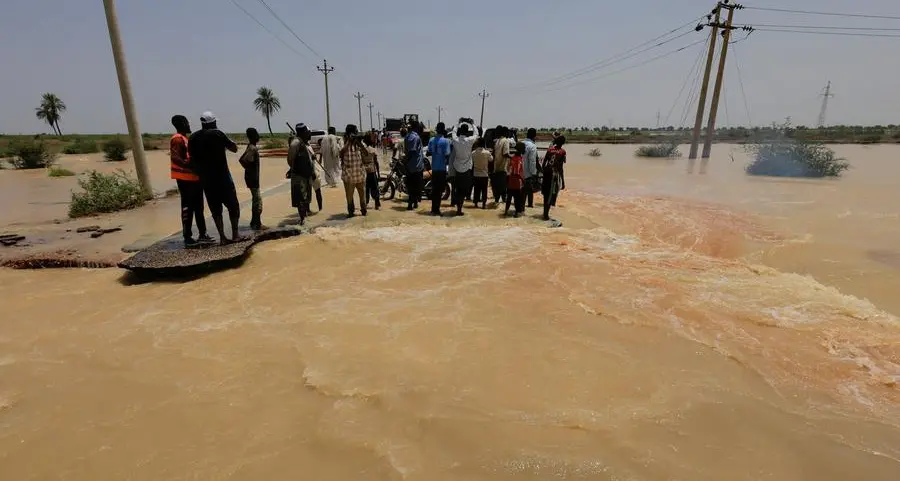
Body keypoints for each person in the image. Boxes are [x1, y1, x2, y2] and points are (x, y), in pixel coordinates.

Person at [188, 111, 241, 244]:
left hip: (206, 180)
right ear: (213, 122)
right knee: (233, 206)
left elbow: (191, 161)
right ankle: (235, 235)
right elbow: (234, 148)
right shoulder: (218, 134)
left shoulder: (193, 138)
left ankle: (222, 237)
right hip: (223, 177)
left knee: (215, 209)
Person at [170, 115, 213, 247]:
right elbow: (176, 157)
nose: (189, 125)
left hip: (194, 178)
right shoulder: (177, 139)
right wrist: (191, 165)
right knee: (188, 208)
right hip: (185, 179)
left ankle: (202, 234)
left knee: (199, 207)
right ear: (182, 123)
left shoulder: (185, 138)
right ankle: (187, 236)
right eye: (187, 122)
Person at [287, 123, 316, 225]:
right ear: (302, 133)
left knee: (306, 198)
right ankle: (302, 219)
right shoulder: (296, 143)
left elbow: (308, 159)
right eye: (307, 132)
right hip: (299, 176)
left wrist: (312, 172)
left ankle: (304, 218)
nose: (309, 134)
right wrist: (295, 169)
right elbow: (290, 159)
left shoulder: (304, 143)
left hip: (307, 175)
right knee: (300, 198)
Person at [238, 127, 265, 230]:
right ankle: (257, 224)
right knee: (258, 201)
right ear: (253, 136)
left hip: (251, 177)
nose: (258, 136)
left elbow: (241, 160)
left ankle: (253, 222)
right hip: (253, 179)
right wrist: (250, 171)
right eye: (256, 134)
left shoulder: (250, 146)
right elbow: (244, 161)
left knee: (255, 200)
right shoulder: (253, 148)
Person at [340, 124, 368, 217]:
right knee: (349, 197)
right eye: (355, 131)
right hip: (348, 176)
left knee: (362, 196)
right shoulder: (343, 141)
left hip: (360, 175)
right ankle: (351, 213)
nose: (356, 133)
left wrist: (358, 142)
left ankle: (364, 212)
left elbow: (366, 153)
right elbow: (341, 153)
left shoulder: (358, 143)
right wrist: (349, 141)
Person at [450, 122, 476, 216]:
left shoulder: (455, 140)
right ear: (467, 132)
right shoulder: (470, 140)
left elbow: (453, 131)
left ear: (460, 131)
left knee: (458, 189)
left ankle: (458, 208)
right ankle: (459, 209)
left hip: (457, 169)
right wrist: (472, 123)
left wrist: (458, 123)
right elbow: (476, 133)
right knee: (464, 190)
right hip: (466, 170)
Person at [426, 122, 450, 216]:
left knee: (434, 189)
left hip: (434, 168)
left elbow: (428, 152)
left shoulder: (432, 140)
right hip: (442, 168)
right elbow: (448, 154)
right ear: (443, 130)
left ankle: (433, 209)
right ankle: (437, 210)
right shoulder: (446, 141)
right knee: (440, 190)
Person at [541, 135, 567, 221]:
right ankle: (546, 215)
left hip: (546, 173)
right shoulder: (562, 152)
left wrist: (543, 173)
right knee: (552, 194)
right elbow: (561, 168)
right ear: (563, 143)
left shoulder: (549, 150)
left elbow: (544, 163)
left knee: (546, 194)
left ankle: (545, 213)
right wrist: (563, 181)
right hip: (554, 175)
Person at [404, 121, 425, 210]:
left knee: (411, 185)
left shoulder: (408, 136)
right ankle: (411, 204)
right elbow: (411, 151)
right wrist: (407, 161)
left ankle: (414, 203)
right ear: (416, 128)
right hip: (415, 165)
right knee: (415, 185)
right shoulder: (414, 137)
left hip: (412, 165)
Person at [491, 126, 511, 205]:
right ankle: (503, 203)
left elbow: (493, 153)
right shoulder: (505, 141)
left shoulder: (497, 141)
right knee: (503, 187)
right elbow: (505, 153)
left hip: (496, 167)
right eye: (508, 132)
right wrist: (513, 157)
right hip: (503, 167)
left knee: (497, 187)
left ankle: (496, 201)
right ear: (505, 132)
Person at [505, 142, 526, 217]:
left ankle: (505, 212)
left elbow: (509, 169)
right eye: (524, 148)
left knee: (509, 198)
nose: (525, 150)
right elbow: (516, 172)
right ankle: (518, 214)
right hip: (516, 182)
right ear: (521, 150)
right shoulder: (518, 159)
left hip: (510, 181)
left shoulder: (513, 157)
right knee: (517, 199)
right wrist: (523, 180)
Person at [363, 131, 381, 210]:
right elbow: (376, 162)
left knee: (366, 189)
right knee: (375, 188)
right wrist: (379, 173)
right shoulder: (373, 150)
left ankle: (365, 205)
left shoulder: (361, 150)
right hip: (372, 171)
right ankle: (377, 204)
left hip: (364, 172)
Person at [471, 138, 491, 209]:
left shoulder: (473, 153)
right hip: (484, 175)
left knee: (476, 190)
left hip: (476, 174)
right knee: (484, 190)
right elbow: (491, 159)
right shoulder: (487, 153)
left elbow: (471, 162)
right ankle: (483, 204)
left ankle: (475, 204)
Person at [522, 128, 539, 209]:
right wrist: (534, 173)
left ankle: (522, 207)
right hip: (528, 173)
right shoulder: (532, 146)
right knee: (528, 191)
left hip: (518, 172)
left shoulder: (521, 143)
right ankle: (529, 206)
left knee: (522, 191)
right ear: (534, 136)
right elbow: (532, 161)